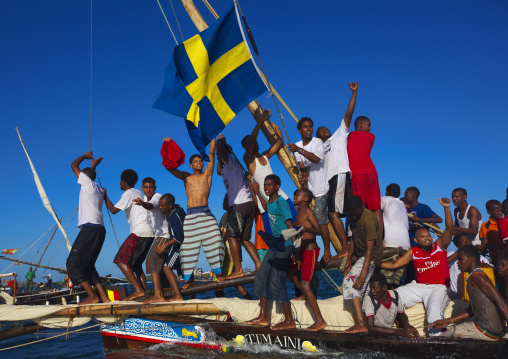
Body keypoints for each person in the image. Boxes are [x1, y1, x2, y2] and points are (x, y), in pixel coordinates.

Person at [381, 198, 454, 337]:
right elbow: (395, 264)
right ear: (416, 240)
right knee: (391, 296)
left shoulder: (440, 246)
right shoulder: (413, 251)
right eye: (422, 237)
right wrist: (376, 263)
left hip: (438, 288)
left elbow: (449, 228)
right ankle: (394, 329)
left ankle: (437, 341)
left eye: (428, 236)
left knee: (433, 312)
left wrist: (446, 208)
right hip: (418, 287)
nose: (427, 238)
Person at [164, 137, 224, 283]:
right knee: (187, 248)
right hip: (191, 216)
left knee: (216, 242)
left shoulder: (207, 175)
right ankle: (187, 279)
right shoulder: (186, 177)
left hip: (206, 214)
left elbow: (211, 154)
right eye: (196, 161)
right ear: (190, 165)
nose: (199, 162)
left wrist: (213, 137)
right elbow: (171, 168)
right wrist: (168, 145)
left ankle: (219, 275)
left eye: (200, 161)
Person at [245, 175, 296, 330]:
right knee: (261, 276)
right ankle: (263, 317)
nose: (266, 187)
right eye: (265, 185)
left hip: (284, 245)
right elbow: (266, 208)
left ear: (277, 186)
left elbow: (291, 227)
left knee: (276, 281)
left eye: (269, 185)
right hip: (274, 246)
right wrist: (257, 191)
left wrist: (295, 252)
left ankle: (289, 320)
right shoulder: (271, 203)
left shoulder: (281, 203)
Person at [242, 109, 292, 263]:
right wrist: (260, 121)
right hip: (266, 204)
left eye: (255, 141)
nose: (255, 142)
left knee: (294, 225)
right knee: (277, 234)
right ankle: (283, 258)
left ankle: (294, 253)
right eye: (251, 142)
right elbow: (251, 141)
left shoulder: (265, 155)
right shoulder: (248, 160)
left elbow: (278, 143)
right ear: (247, 146)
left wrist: (275, 127)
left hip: (281, 196)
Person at [315, 82, 358, 259]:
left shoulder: (339, 135)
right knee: (338, 213)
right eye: (321, 130)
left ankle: (346, 248)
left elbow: (348, 114)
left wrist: (354, 93)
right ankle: (348, 246)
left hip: (339, 175)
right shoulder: (319, 149)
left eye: (326, 128)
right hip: (330, 181)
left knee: (333, 213)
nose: (325, 129)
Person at [432, 245, 508, 340]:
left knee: (444, 337)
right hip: (490, 330)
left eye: (461, 260)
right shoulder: (474, 277)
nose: (458, 263)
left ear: (472, 259)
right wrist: (447, 321)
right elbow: (472, 310)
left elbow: (500, 301)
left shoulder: (478, 277)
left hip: (487, 330)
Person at [104, 169, 155, 301]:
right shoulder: (138, 192)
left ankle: (138, 291)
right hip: (149, 233)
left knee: (120, 260)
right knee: (136, 265)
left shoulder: (128, 193)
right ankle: (145, 292)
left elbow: (114, 210)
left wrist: (105, 196)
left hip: (140, 231)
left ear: (123, 181)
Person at [66, 151, 110, 305]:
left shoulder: (87, 183)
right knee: (89, 264)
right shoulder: (98, 189)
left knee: (72, 263)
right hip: (100, 230)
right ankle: (103, 298)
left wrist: (84, 156)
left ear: (84, 177)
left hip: (90, 228)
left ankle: (92, 296)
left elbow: (73, 165)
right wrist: (93, 166)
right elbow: (91, 174)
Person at [289, 117, 332, 264]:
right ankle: (306, 251)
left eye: (310, 126)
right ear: (299, 130)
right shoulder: (296, 145)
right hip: (310, 189)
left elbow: (316, 159)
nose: (308, 129)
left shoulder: (317, 142)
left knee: (320, 221)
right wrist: (305, 178)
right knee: (304, 220)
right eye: (305, 127)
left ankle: (327, 252)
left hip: (321, 188)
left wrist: (300, 150)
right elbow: (303, 167)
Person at [216, 134, 259, 279]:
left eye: (219, 154)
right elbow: (218, 170)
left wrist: (220, 141)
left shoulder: (231, 162)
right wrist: (219, 155)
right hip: (247, 204)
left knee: (231, 236)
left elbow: (221, 151)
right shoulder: (226, 166)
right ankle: (258, 265)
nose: (218, 155)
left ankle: (239, 270)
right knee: (244, 239)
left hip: (239, 205)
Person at [343, 195, 384, 333]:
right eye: (351, 214)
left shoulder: (369, 219)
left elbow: (370, 249)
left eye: (355, 214)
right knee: (364, 291)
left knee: (349, 282)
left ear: (360, 208)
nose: (353, 217)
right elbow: (353, 239)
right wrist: (349, 259)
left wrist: (362, 274)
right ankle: (366, 323)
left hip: (371, 256)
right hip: (361, 255)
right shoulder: (353, 216)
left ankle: (360, 323)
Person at [292, 188, 327, 331]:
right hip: (301, 250)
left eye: (297, 195)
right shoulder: (299, 212)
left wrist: (307, 229)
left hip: (311, 251)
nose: (295, 196)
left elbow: (319, 230)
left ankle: (320, 321)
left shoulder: (307, 211)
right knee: (290, 271)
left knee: (306, 284)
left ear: (305, 198)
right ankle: (305, 294)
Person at [346, 111, 383, 232]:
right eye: (369, 125)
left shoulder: (347, 137)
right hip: (371, 173)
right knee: (376, 208)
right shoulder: (371, 137)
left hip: (357, 175)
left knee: (357, 207)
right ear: (361, 125)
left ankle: (359, 237)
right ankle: (379, 239)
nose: (370, 128)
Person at [137, 179, 172, 304]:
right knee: (160, 267)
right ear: (142, 188)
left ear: (154, 188)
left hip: (165, 236)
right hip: (159, 236)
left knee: (151, 260)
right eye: (146, 187)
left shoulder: (157, 198)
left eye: (151, 187)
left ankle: (158, 295)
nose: (148, 190)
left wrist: (142, 203)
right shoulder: (146, 200)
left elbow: (150, 206)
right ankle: (166, 293)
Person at [363, 274, 419, 339]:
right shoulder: (369, 298)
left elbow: (402, 315)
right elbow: (371, 327)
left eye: (375, 288)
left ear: (384, 288)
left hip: (392, 333)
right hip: (377, 335)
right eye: (371, 288)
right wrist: (399, 331)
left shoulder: (395, 295)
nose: (372, 291)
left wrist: (407, 326)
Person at [380, 183, 410, 288]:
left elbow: (373, 208)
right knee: (396, 280)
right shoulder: (401, 204)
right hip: (406, 246)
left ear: (387, 193)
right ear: (399, 194)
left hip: (391, 244)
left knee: (385, 279)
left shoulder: (386, 199)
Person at [447, 233, 490, 300]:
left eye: (468, 240)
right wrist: (460, 251)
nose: (469, 243)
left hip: (474, 300)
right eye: (464, 242)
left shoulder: (480, 258)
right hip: (455, 300)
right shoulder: (452, 255)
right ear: (457, 246)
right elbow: (442, 264)